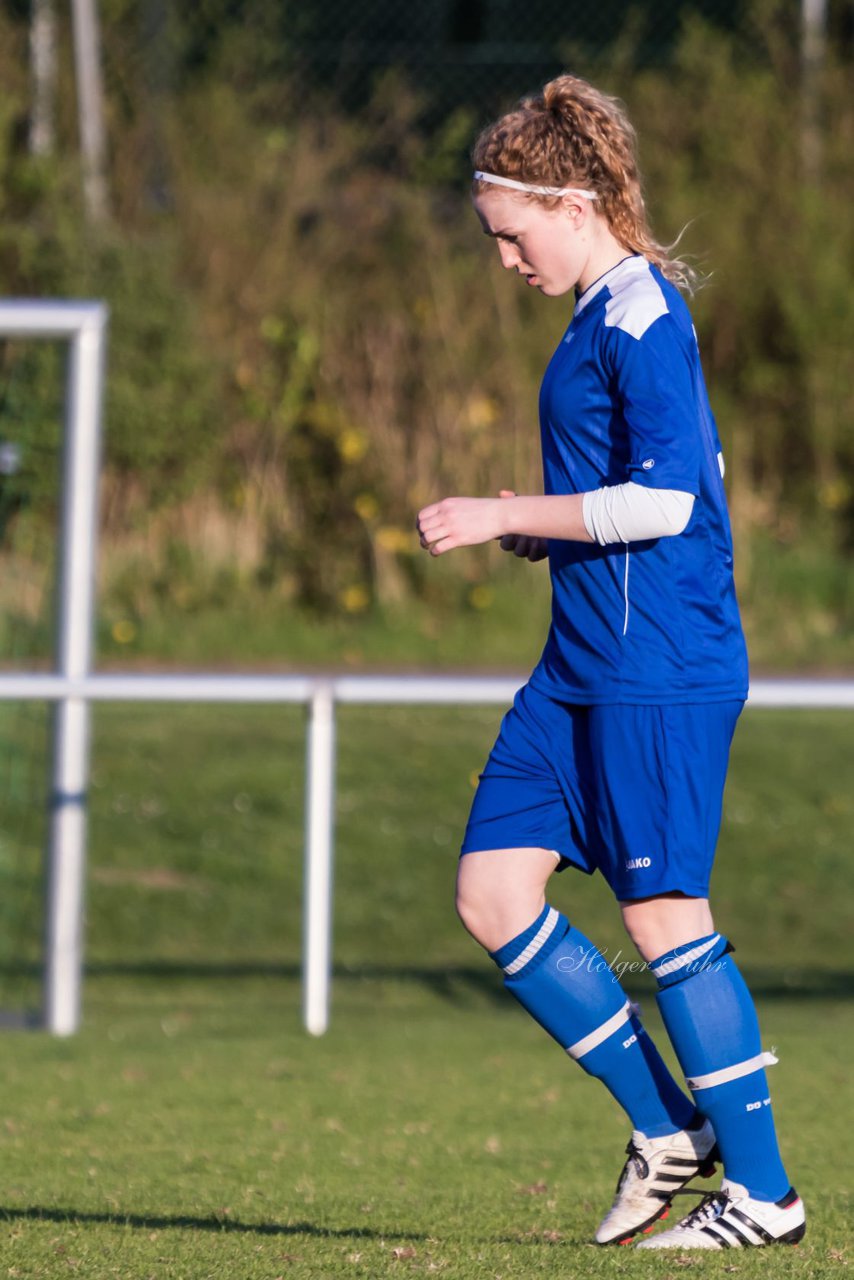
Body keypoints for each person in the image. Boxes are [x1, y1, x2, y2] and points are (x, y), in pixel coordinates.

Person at [416, 74, 806, 1251]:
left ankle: (767, 1197)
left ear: (571, 203)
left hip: (655, 664)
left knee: (661, 914)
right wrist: (533, 523)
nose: (504, 260)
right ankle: (667, 1132)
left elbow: (664, 499)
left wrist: (501, 516)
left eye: (510, 234)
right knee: (491, 892)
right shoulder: (594, 317)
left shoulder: (642, 316)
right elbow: (616, 498)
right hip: (578, 662)